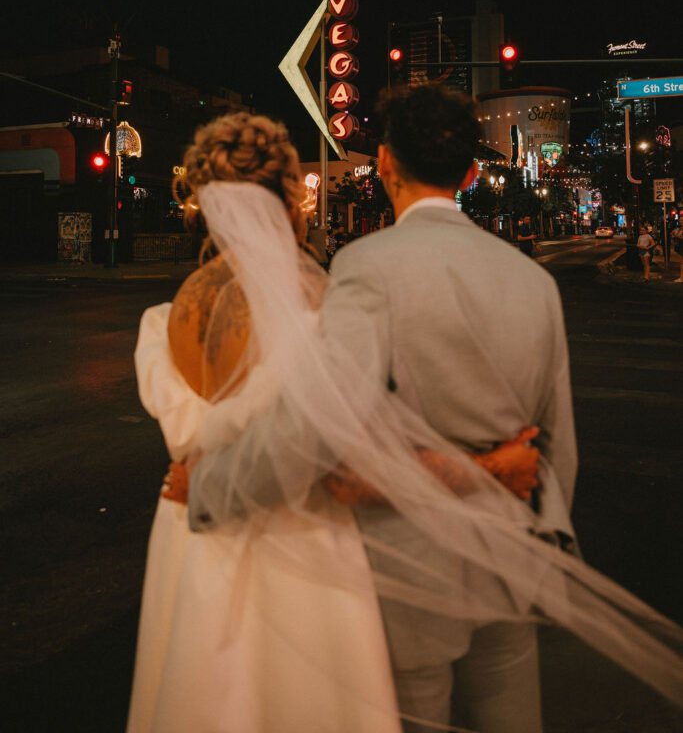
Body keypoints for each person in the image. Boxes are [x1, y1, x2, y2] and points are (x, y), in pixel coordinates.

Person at [187, 87, 683, 732]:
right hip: (512, 550)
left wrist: (210, 489)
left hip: (412, 563)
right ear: (473, 173)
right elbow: (558, 442)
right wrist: (544, 533)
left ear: (385, 163)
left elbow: (315, 418)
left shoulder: (367, 265)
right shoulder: (533, 281)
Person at [127, 110, 540, 733]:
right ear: (293, 204)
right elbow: (346, 469)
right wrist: (491, 468)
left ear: (201, 208)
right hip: (306, 539)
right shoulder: (328, 313)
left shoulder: (161, 324)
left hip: (191, 538)